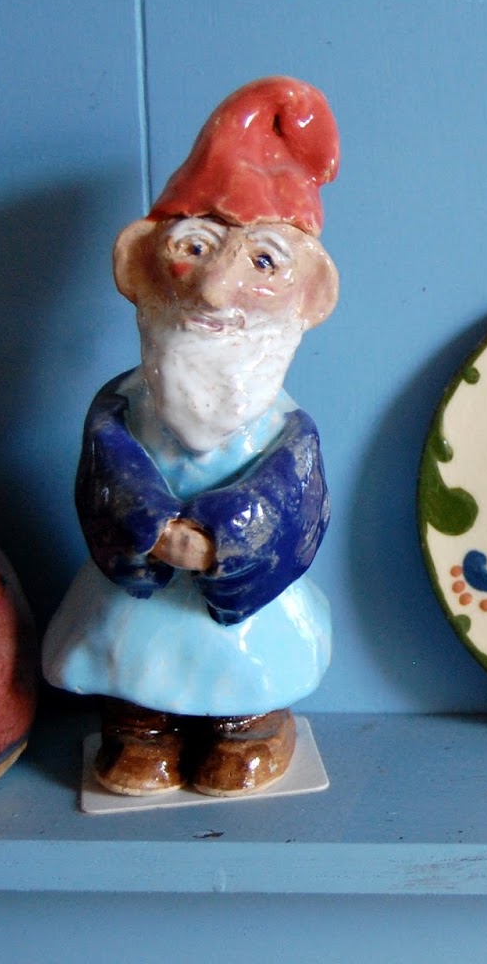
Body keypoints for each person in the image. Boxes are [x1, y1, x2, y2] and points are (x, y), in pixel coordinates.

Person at [43, 76, 340, 797]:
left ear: (312, 296)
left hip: (241, 610)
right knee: (128, 660)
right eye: (195, 249)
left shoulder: (287, 431)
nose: (213, 291)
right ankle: (140, 729)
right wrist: (148, 525)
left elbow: (294, 503)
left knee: (247, 668)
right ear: (137, 265)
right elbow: (105, 474)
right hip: (139, 592)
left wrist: (220, 540)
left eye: (263, 262)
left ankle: (249, 727)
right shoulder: (120, 409)